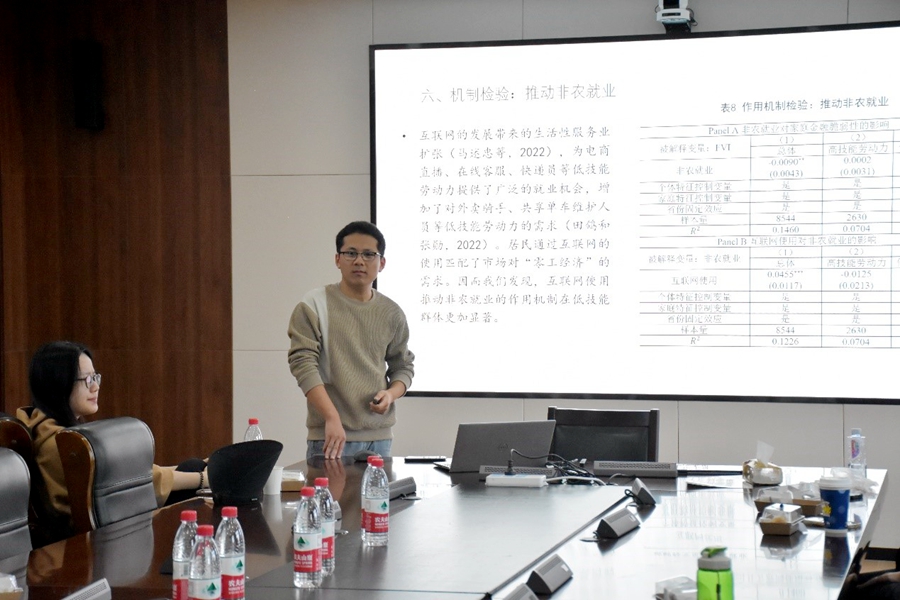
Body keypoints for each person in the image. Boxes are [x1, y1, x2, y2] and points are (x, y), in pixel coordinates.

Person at [17, 340, 206, 541]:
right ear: (58, 384)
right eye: (86, 380)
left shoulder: (44, 428)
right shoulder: (59, 444)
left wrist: (200, 472)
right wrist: (202, 479)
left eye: (95, 377)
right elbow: (131, 484)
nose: (95, 387)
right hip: (87, 544)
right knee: (194, 483)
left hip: (106, 530)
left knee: (194, 467)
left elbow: (136, 477)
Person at [288, 221, 415, 460]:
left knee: (379, 489)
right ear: (338, 259)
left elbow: (403, 367)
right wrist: (331, 417)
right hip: (330, 436)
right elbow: (303, 364)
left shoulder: (392, 312)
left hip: (380, 438)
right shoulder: (314, 304)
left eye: (368, 254)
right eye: (351, 253)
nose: (359, 261)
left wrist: (390, 395)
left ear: (382, 263)